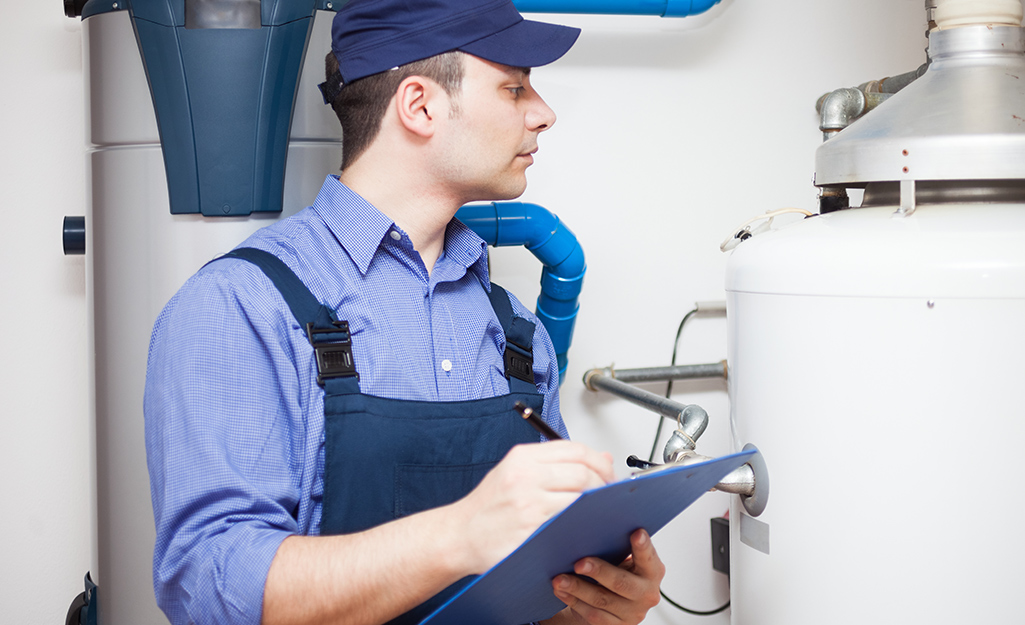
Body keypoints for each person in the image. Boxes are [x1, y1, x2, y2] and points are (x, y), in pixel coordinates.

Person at [144, 1, 666, 624]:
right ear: (419, 106)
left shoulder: (516, 331)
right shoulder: (243, 306)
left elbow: (536, 587)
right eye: (514, 87)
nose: (543, 113)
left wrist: (589, 608)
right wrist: (457, 535)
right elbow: (207, 588)